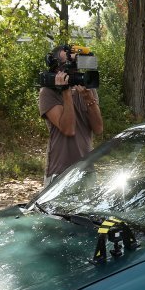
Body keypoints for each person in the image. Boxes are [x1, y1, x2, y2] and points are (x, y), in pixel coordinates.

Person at [38, 45, 104, 185]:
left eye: (74, 65)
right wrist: (66, 92)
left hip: (86, 170)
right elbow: (68, 129)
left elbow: (98, 129)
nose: (71, 70)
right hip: (60, 171)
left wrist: (89, 100)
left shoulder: (86, 88)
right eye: (66, 65)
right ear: (55, 68)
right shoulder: (47, 92)